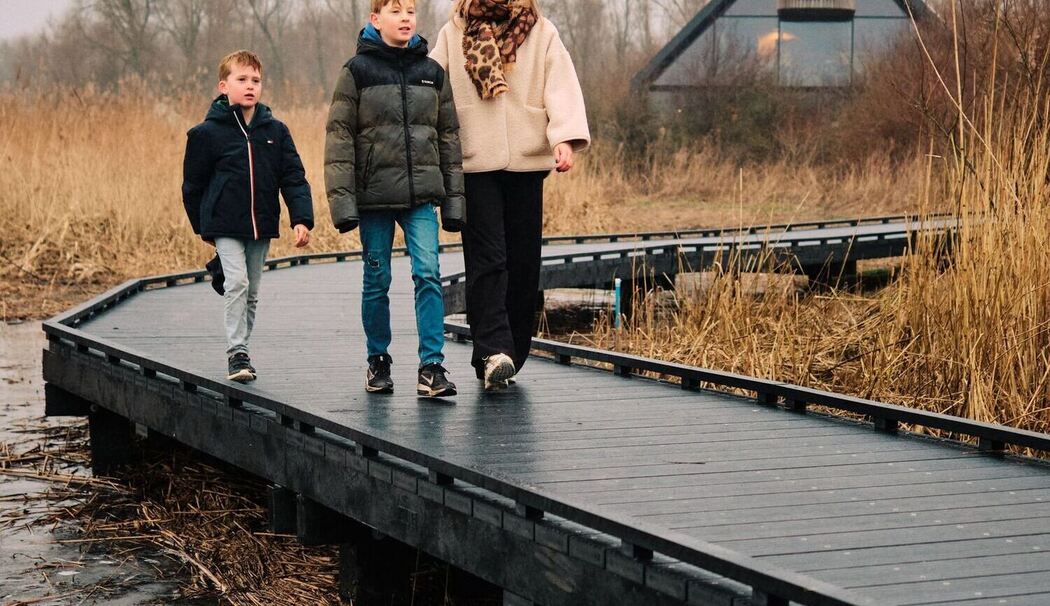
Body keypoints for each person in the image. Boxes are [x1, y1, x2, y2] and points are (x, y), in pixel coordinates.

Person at [430, 0, 590, 390]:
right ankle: (492, 351)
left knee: (523, 264)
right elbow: (429, 89)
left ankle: (511, 353)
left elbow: (561, 86)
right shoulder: (454, 32)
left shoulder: (541, 31)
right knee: (487, 260)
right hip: (474, 163)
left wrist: (564, 138)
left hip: (527, 160)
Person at [325, 0, 465, 398]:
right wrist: (343, 205)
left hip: (421, 197)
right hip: (374, 199)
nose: (406, 18)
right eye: (396, 11)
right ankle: (378, 361)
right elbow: (338, 139)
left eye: (411, 11)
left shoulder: (432, 73)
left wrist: (455, 202)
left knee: (429, 274)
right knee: (377, 280)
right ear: (376, 19)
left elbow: (449, 138)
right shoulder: (357, 71)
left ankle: (431, 367)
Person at [182, 50, 314, 383]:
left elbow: (293, 177)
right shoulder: (206, 134)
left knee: (251, 291)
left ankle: (244, 351)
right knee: (237, 283)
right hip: (224, 224)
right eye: (241, 79)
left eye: (255, 80)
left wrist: (301, 218)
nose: (250, 85)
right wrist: (204, 227)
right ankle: (236, 352)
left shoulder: (276, 131)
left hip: (261, 223)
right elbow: (192, 186)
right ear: (223, 86)